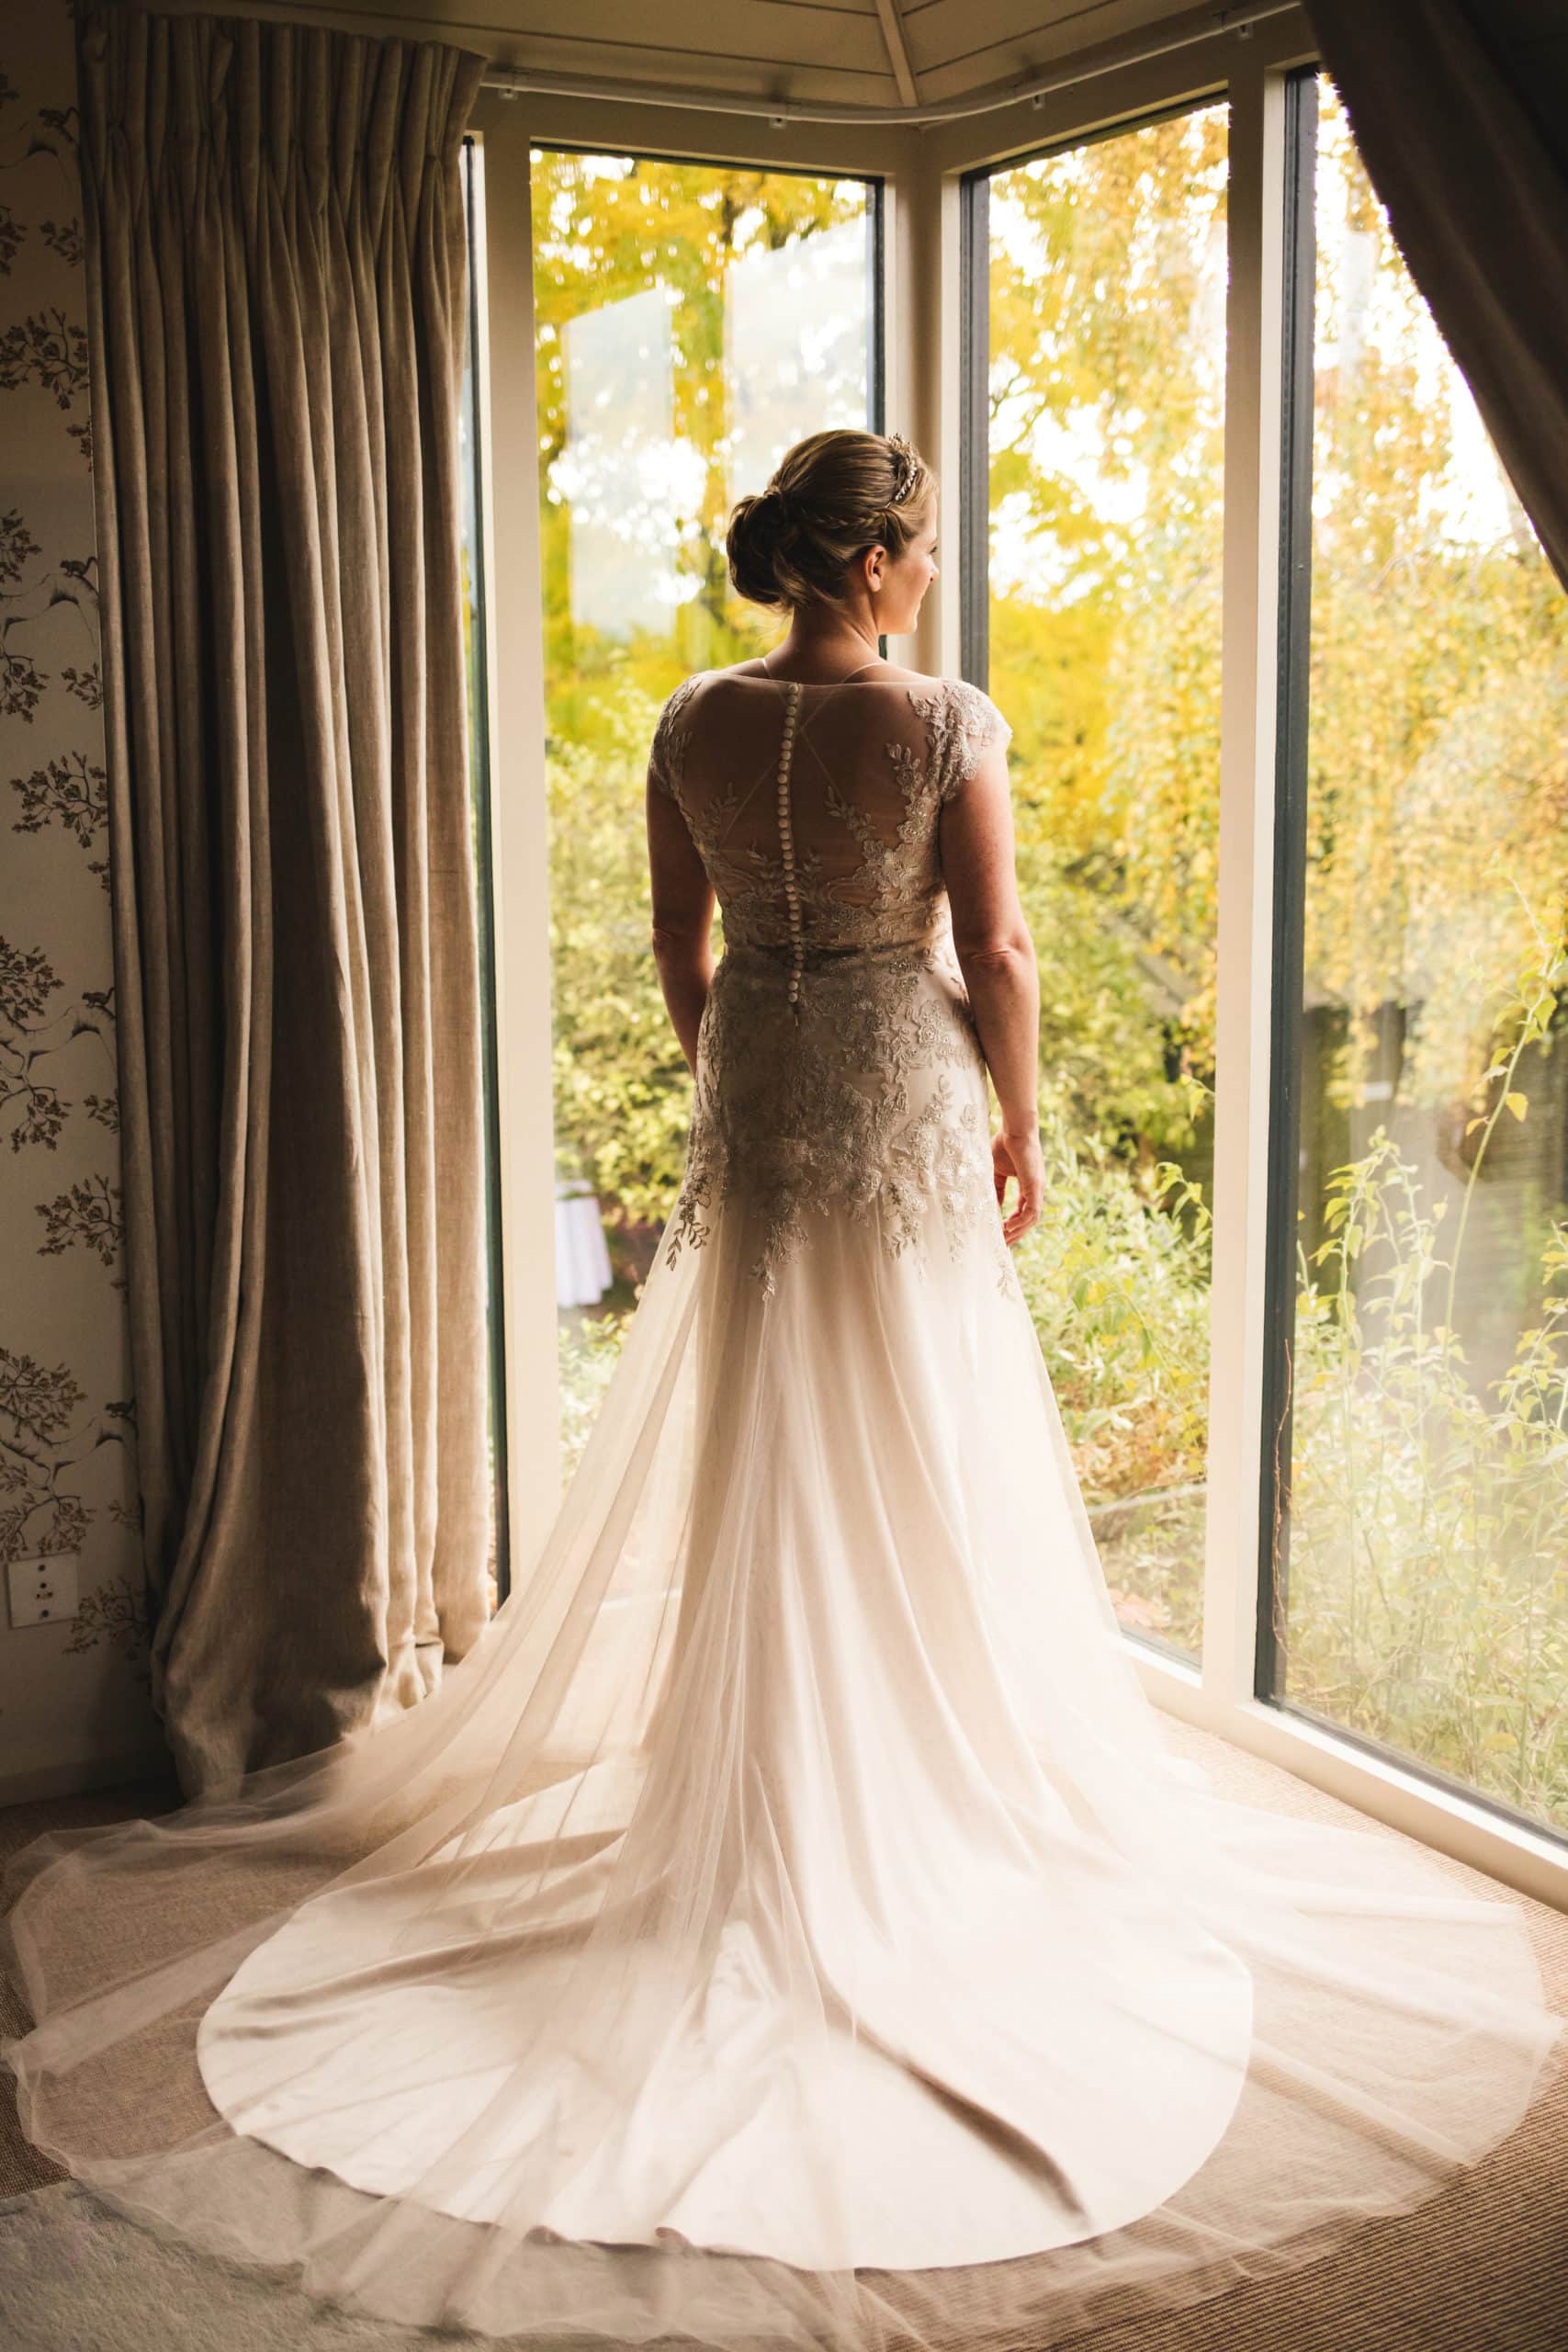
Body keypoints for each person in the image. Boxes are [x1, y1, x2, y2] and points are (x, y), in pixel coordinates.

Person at [3, 429, 1562, 2351]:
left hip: (762, 1065)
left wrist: (740, 1051)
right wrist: (1019, 1122)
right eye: (918, 551)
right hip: (894, 1079)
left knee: (771, 1432)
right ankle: (912, 1789)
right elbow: (991, 943)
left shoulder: (688, 720)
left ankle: (778, 1793)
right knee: (918, 1434)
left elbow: (681, 943)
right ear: (884, 556)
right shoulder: (938, 721)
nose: (921, 575)